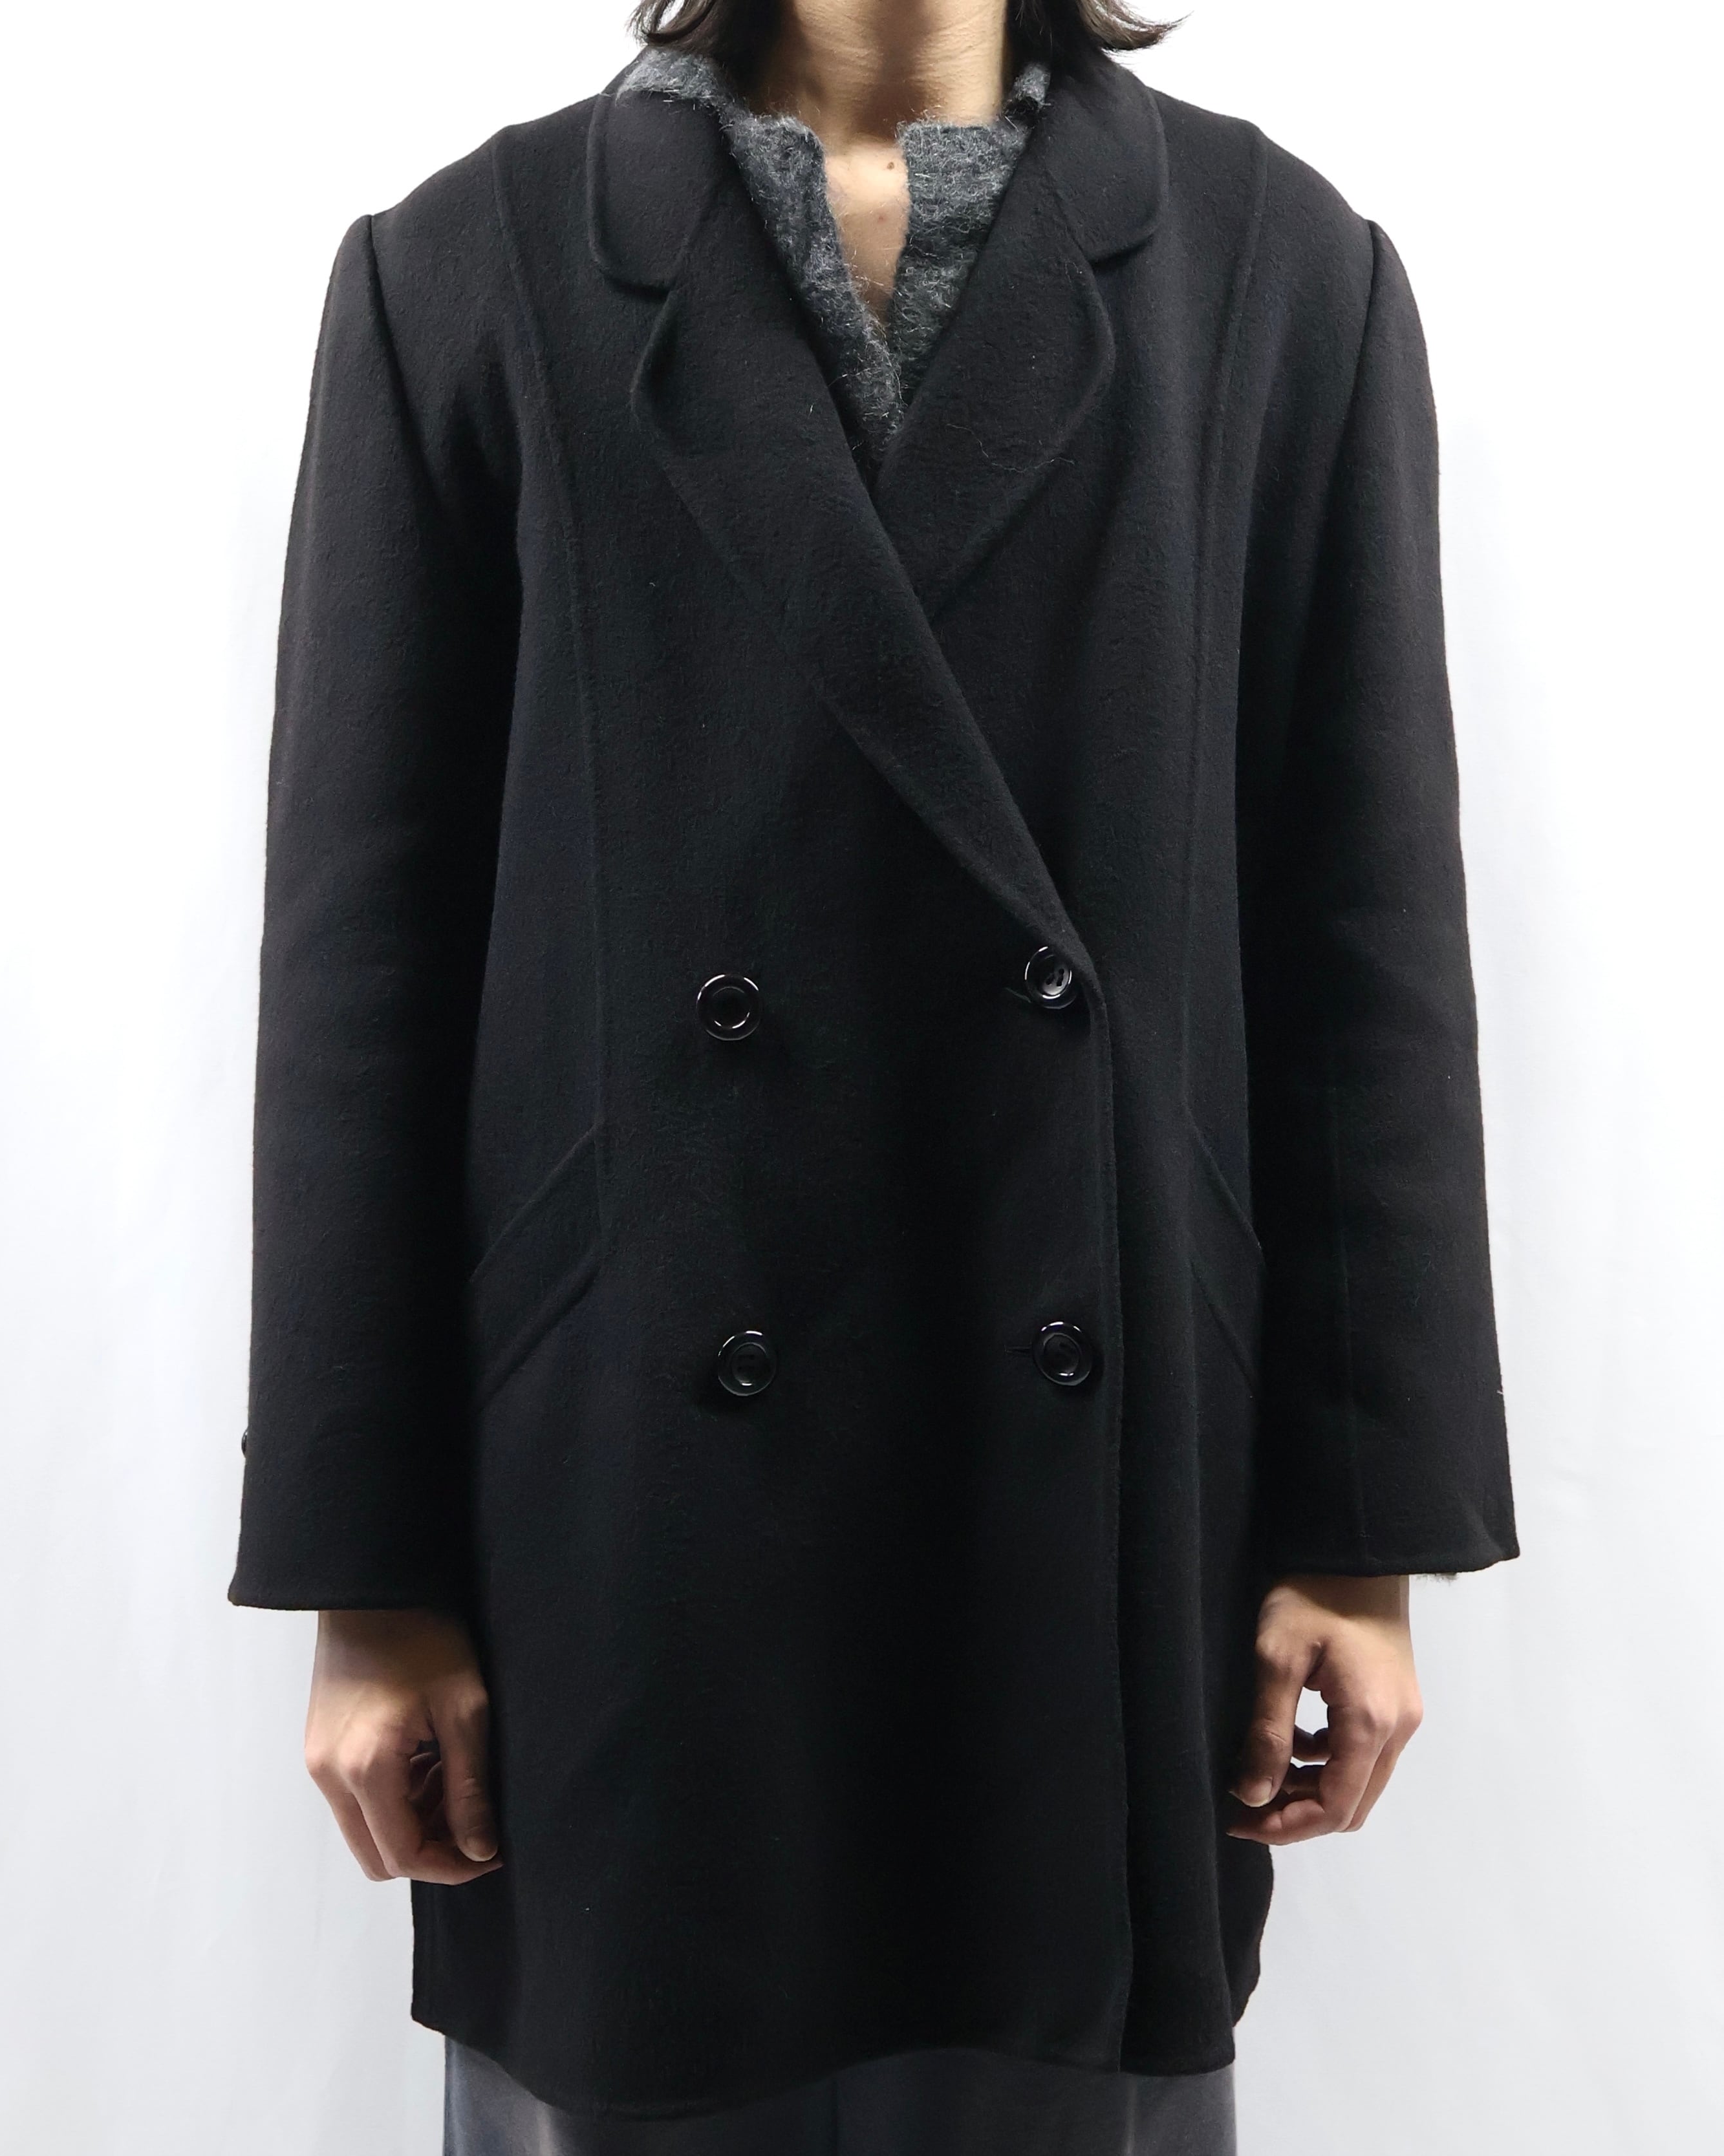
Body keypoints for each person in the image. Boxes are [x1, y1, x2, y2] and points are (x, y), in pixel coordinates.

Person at [231, 0, 1518, 2149]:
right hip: (621, 1498)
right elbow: (360, 970)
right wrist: (370, 1578)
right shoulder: (462, 269)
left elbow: (1360, 932)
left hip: (1101, 1490)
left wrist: (1360, 1532)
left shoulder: (1280, 269)